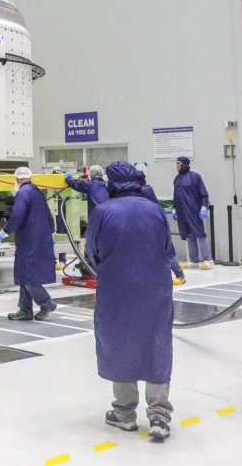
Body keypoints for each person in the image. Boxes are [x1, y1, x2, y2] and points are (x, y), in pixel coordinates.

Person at [86, 161, 174, 442]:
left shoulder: (102, 212)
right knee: (157, 343)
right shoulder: (155, 210)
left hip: (117, 290)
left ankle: (124, 413)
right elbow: (167, 249)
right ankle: (159, 415)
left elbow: (93, 253)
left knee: (119, 341)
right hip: (155, 289)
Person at [0, 167, 57, 321]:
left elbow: (18, 215)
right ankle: (25, 310)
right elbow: (49, 216)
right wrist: (49, 232)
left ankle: (46, 303)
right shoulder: (37, 191)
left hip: (30, 240)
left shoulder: (23, 193)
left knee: (28, 276)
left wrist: (5, 231)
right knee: (24, 274)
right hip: (40, 238)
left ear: (16, 180)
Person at [132, 163, 185, 284]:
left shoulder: (144, 190)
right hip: (149, 223)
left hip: (154, 224)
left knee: (167, 250)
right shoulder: (141, 190)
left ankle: (180, 274)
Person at [173, 156, 212, 270]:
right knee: (189, 236)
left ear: (184, 164)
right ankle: (193, 260)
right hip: (182, 211)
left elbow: (204, 193)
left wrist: (204, 207)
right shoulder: (177, 179)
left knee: (199, 234)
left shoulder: (195, 177)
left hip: (193, 210)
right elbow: (175, 195)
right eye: (176, 163)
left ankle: (208, 259)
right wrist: (175, 208)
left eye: (178, 163)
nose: (177, 166)